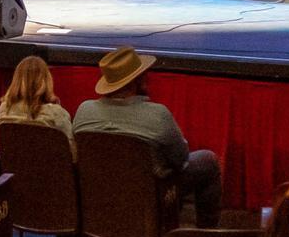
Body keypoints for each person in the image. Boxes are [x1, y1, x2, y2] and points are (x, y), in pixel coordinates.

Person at [70, 46, 221, 227]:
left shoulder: (84, 110)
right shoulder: (158, 115)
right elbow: (180, 160)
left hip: (98, 196)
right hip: (149, 198)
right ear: (137, 81)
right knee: (208, 161)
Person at [0, 55, 71, 139]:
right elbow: (70, 148)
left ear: (16, 80)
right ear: (47, 81)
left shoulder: (4, 109)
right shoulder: (56, 113)